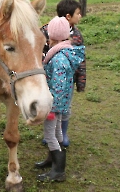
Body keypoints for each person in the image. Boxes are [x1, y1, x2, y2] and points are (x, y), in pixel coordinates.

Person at [36, 16, 85, 182]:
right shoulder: (65, 53)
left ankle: (58, 171)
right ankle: (52, 160)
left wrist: (52, 108)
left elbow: (58, 85)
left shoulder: (58, 59)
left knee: (50, 135)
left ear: (53, 37)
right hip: (60, 104)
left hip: (54, 106)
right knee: (56, 133)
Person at [38, 0, 86, 150]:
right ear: (68, 16)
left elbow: (80, 62)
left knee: (62, 111)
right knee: (58, 112)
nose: (81, 16)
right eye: (78, 13)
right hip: (48, 79)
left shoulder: (76, 36)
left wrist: (81, 81)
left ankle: (59, 138)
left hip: (63, 84)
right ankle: (56, 136)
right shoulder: (44, 32)